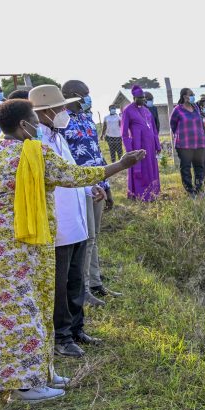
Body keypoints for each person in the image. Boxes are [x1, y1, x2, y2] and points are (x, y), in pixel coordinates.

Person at [0, 98, 144, 402]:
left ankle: (40, 371)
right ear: (24, 124)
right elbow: (75, 176)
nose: (37, 127)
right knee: (22, 309)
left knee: (0, 309)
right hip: (16, 240)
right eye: (33, 121)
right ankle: (25, 386)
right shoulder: (34, 153)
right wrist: (121, 164)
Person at [23, 86, 97, 359]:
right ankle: (61, 337)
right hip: (58, 225)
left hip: (75, 220)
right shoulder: (35, 142)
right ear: (46, 111)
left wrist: (89, 189)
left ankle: (77, 329)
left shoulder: (58, 136)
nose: (65, 112)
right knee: (61, 283)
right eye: (62, 108)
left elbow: (71, 172)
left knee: (76, 279)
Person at [60, 80, 117, 304]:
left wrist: (107, 186)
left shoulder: (86, 118)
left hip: (97, 185)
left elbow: (97, 153)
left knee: (94, 238)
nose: (88, 98)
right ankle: (82, 290)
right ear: (73, 95)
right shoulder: (62, 121)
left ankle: (95, 283)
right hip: (78, 188)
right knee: (86, 238)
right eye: (85, 94)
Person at [122, 85, 161, 201]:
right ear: (134, 97)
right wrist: (130, 150)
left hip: (150, 145)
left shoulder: (147, 110)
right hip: (137, 146)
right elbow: (124, 133)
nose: (143, 100)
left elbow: (154, 129)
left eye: (144, 97)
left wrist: (157, 144)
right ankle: (140, 195)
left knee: (151, 168)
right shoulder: (128, 110)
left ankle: (153, 193)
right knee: (140, 169)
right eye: (140, 97)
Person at [169, 88, 205, 195]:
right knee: (186, 168)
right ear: (185, 96)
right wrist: (182, 135)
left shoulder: (196, 108)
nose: (193, 96)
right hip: (184, 145)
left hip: (199, 143)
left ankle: (199, 188)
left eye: (193, 94)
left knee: (199, 167)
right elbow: (173, 125)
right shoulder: (177, 110)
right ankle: (190, 191)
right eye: (191, 94)